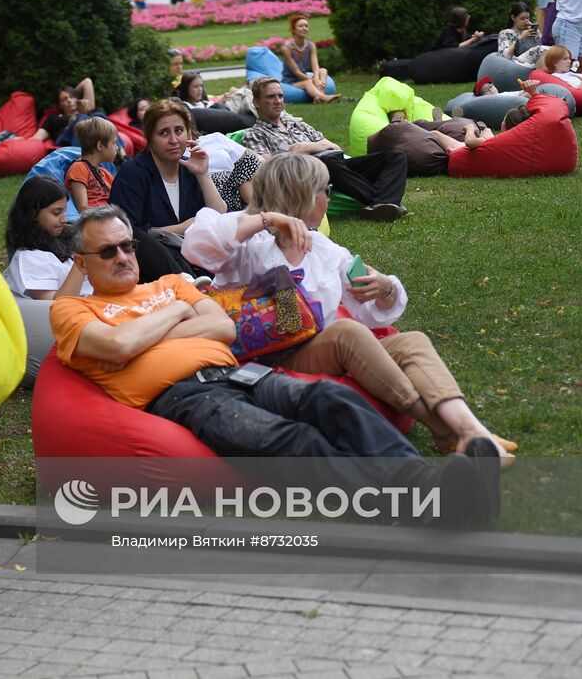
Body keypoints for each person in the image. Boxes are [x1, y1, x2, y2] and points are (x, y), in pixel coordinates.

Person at [50, 204, 502, 523]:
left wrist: (142, 337)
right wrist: (175, 314)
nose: (124, 257)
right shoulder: (72, 310)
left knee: (329, 397)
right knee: (288, 438)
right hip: (185, 397)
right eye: (107, 252)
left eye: (127, 246)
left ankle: (431, 485)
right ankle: (413, 506)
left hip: (236, 373)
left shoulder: (167, 282)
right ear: (82, 263)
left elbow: (222, 330)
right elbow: (115, 347)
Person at [184, 153, 515, 461]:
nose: (329, 195)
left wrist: (385, 288)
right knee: (345, 333)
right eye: (325, 189)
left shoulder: (326, 249)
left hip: (320, 346)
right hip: (266, 356)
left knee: (410, 341)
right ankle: (443, 427)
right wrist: (267, 219)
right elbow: (199, 245)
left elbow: (369, 311)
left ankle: (471, 429)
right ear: (302, 195)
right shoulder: (249, 241)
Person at [240, 77, 408, 221]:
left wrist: (306, 147)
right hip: (310, 172)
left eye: (280, 96)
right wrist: (301, 153)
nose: (278, 101)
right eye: (271, 97)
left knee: (396, 156)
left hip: (338, 163)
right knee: (327, 162)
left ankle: (380, 204)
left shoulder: (297, 124)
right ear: (256, 102)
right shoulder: (255, 134)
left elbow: (333, 146)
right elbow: (267, 166)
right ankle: (386, 202)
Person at [108, 99, 226, 280]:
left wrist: (202, 173)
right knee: (142, 239)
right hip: (152, 265)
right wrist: (182, 228)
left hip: (195, 255)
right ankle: (189, 284)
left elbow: (218, 215)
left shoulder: (191, 167)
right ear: (150, 138)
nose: (173, 140)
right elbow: (126, 234)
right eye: (164, 133)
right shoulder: (133, 174)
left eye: (179, 131)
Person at [3, 176, 90, 301]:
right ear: (33, 214)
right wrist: (82, 260)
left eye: (64, 211)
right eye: (56, 213)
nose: (64, 219)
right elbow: (53, 304)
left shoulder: (60, 240)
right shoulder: (29, 257)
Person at [279, 14, 338, 104]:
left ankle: (318, 97)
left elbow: (315, 65)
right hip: (291, 81)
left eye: (306, 26)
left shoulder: (311, 45)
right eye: (301, 26)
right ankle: (324, 97)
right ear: (294, 30)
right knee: (308, 82)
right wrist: (313, 80)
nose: (304, 28)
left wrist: (317, 79)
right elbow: (296, 72)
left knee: (323, 71)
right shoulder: (287, 49)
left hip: (305, 76)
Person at [66, 116, 119, 213]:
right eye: (114, 143)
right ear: (100, 146)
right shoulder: (79, 168)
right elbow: (82, 208)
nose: (117, 147)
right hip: (94, 221)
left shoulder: (105, 173)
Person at [33, 78, 96, 143]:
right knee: (80, 121)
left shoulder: (86, 110)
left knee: (98, 115)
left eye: (72, 97)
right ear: (60, 105)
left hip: (90, 135)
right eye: (64, 99)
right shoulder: (53, 118)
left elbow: (87, 82)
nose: (69, 100)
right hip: (67, 137)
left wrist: (76, 97)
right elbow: (37, 138)